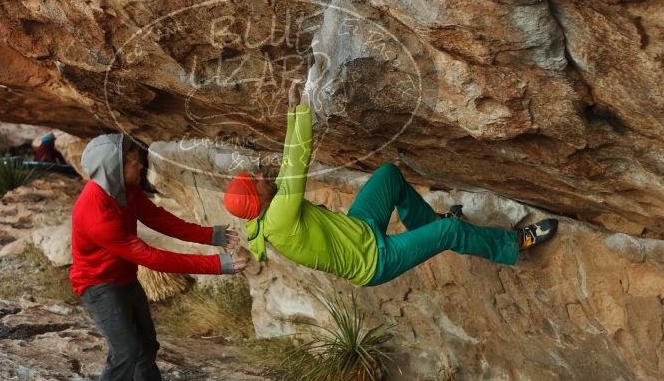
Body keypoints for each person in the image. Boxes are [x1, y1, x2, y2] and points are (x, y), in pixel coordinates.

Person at [222, 80, 557, 287]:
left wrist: (294, 113)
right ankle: (514, 243)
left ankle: (427, 224)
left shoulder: (271, 204)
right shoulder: (278, 218)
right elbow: (298, 160)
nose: (260, 176)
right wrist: (307, 112)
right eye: (255, 181)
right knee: (450, 234)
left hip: (361, 229)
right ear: (259, 200)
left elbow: (286, 161)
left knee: (388, 175)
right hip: (374, 262)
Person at [71, 134, 248, 381]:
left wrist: (213, 235)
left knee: (146, 345)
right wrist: (220, 265)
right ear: (112, 167)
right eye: (130, 159)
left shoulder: (127, 191)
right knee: (125, 350)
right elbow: (153, 258)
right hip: (98, 285)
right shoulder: (96, 212)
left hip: (124, 278)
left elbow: (160, 220)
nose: (139, 163)